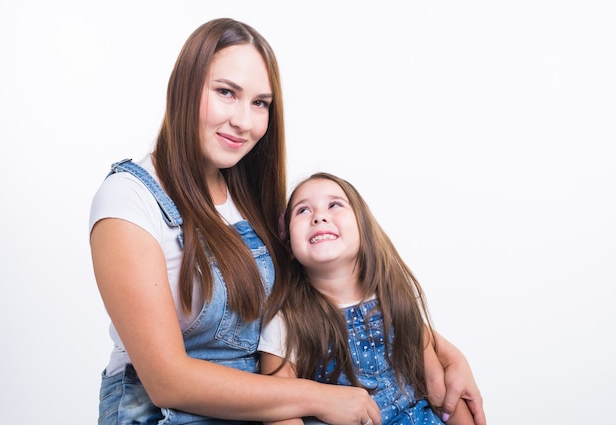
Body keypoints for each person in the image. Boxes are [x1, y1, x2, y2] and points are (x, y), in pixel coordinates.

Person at [89, 18, 485, 425]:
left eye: (260, 103)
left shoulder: (252, 202)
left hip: (267, 407)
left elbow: (328, 294)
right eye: (227, 93)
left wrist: (446, 353)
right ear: (183, 88)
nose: (245, 121)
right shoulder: (129, 199)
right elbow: (167, 381)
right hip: (169, 413)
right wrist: (314, 397)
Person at [259, 172, 485, 425]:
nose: (319, 216)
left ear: (363, 228)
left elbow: (440, 392)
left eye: (334, 205)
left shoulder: (394, 300)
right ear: (288, 243)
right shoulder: (286, 319)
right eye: (302, 210)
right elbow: (280, 407)